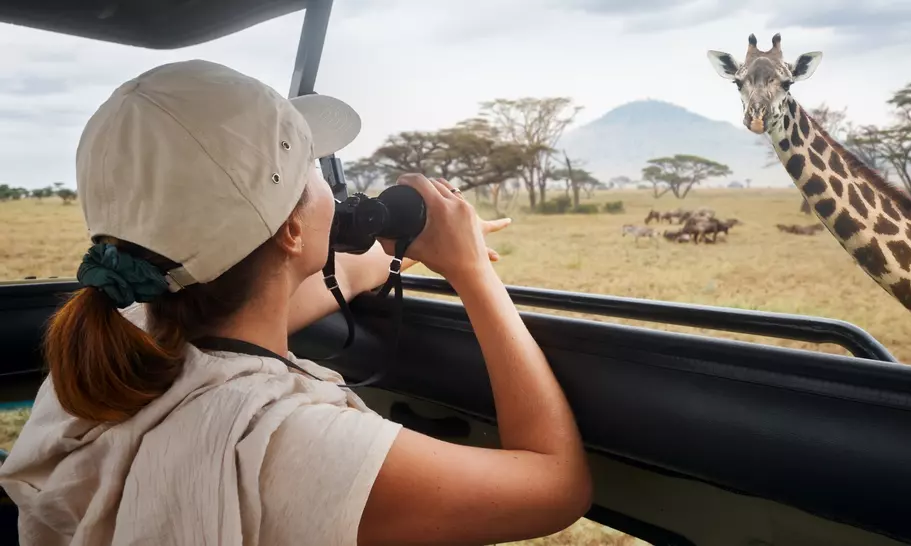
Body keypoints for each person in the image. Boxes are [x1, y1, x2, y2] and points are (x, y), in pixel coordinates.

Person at [0, 59, 592, 545]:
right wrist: (473, 276)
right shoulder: (285, 443)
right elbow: (558, 486)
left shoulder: (115, 345)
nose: (331, 192)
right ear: (290, 232)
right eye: (313, 173)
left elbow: (290, 289)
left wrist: (401, 248)